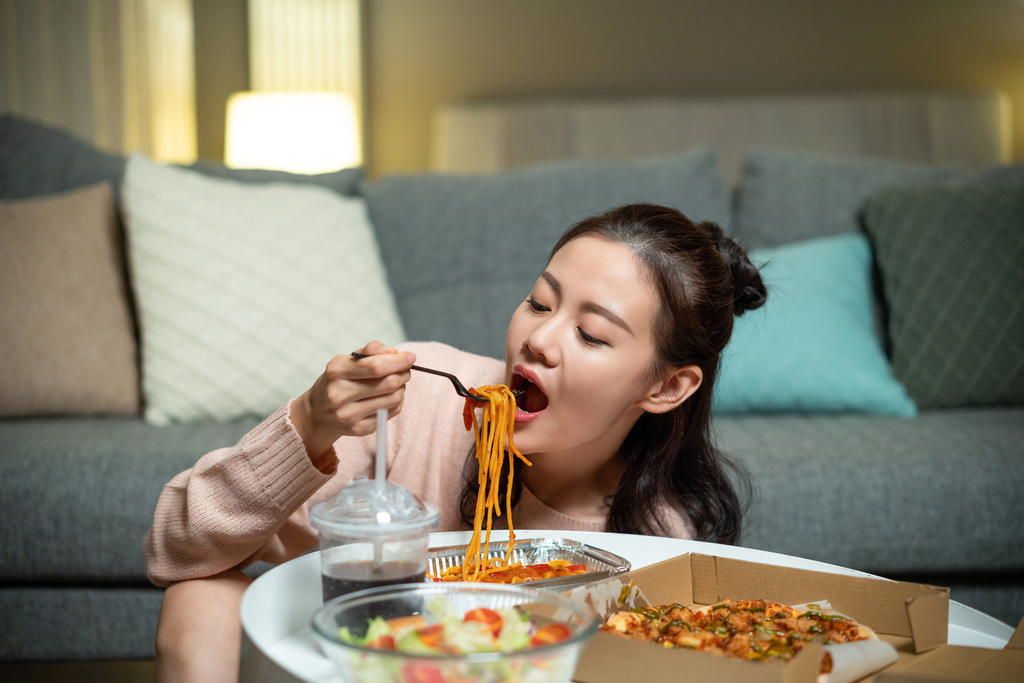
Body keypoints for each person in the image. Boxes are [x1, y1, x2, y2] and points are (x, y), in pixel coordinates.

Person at [145, 203, 767, 682]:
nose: (540, 340)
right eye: (538, 302)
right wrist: (310, 425)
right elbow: (176, 549)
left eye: (592, 335)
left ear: (665, 386)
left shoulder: (654, 537)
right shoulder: (410, 403)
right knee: (200, 597)